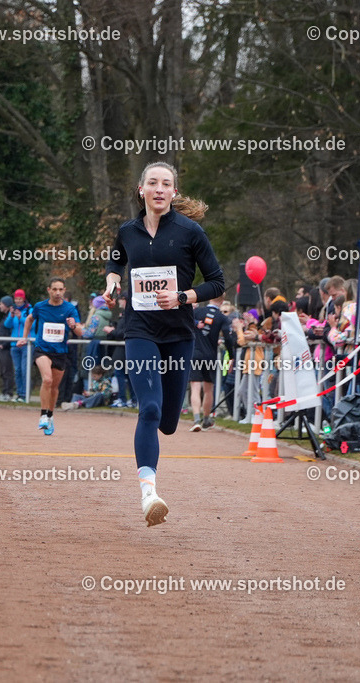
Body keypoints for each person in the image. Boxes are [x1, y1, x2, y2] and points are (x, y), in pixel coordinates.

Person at [104, 161, 224, 526]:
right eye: (152, 183)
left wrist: (184, 297)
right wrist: (111, 284)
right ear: (141, 190)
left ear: (174, 192)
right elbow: (115, 262)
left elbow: (217, 282)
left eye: (166, 183)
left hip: (178, 334)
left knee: (169, 422)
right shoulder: (128, 231)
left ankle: (156, 452)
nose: (159, 188)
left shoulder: (190, 232)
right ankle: (148, 493)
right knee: (150, 409)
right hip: (140, 330)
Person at [17, 277, 83, 435]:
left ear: (64, 290)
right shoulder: (40, 306)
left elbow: (80, 332)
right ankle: (43, 416)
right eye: (54, 289)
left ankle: (50, 415)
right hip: (42, 349)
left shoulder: (69, 309)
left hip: (60, 352)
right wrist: (25, 337)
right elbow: (29, 319)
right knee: (47, 379)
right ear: (49, 290)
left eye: (60, 289)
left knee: (54, 387)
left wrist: (73, 325)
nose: (57, 292)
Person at [189, 295, 231, 431]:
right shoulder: (222, 317)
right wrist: (231, 355)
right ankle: (206, 419)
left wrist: (196, 323)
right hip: (210, 356)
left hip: (195, 353)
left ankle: (196, 419)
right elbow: (228, 337)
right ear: (222, 301)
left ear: (209, 299)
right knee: (208, 389)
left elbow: (185, 321)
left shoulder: (197, 312)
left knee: (195, 387)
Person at [6, 289, 30, 402]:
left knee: (25, 369)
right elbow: (7, 325)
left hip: (26, 344)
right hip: (14, 344)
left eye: (20, 298)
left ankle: (26, 394)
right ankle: (20, 394)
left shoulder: (30, 309)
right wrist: (11, 315)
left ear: (23, 298)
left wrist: (21, 317)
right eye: (16, 299)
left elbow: (32, 325)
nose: (18, 301)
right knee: (17, 370)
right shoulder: (13, 311)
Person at [0, 295, 16, 401]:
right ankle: (4, 392)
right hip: (1, 347)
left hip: (6, 348)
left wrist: (4, 344)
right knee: (3, 371)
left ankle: (8, 393)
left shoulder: (10, 317)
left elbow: (11, 333)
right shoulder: (4, 317)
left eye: (1, 304)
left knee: (7, 371)